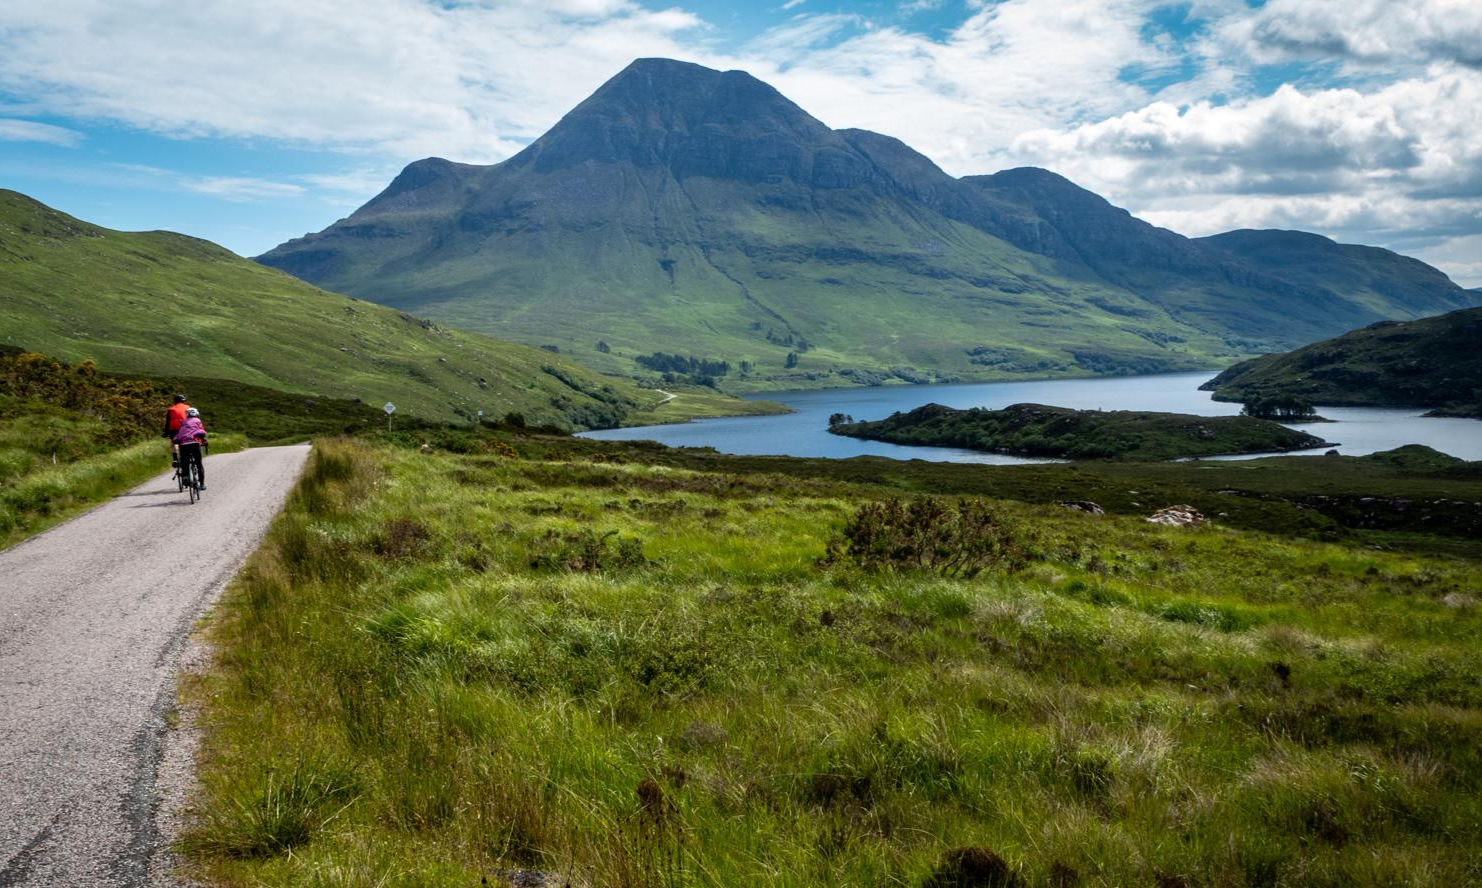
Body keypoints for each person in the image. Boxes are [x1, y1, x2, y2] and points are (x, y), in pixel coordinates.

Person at [172, 407, 209, 491]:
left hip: (183, 445)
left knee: (185, 462)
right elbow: (201, 432)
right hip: (194, 444)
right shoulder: (197, 420)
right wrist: (203, 440)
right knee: (199, 464)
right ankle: (202, 484)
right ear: (196, 414)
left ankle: (185, 477)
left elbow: (180, 433)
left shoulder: (183, 422)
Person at [162, 395, 191, 465]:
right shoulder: (188, 407)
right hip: (185, 428)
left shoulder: (171, 409)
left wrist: (165, 432)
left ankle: (175, 459)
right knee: (188, 439)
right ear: (183, 401)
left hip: (174, 429)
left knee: (173, 442)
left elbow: (168, 422)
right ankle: (190, 454)